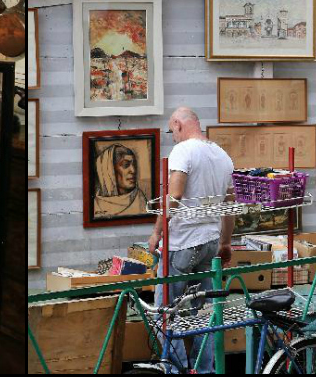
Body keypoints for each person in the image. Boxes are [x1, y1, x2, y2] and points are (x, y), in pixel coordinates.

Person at [148, 107, 235, 373]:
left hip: (183, 243)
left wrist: (156, 233)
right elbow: (230, 205)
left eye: (171, 131)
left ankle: (173, 370)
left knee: (166, 314)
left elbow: (173, 197)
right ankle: (205, 370)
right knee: (202, 315)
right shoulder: (222, 155)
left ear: (178, 124)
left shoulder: (183, 151)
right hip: (209, 242)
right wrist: (226, 242)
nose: (172, 137)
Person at [93, 144, 149, 218]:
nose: (133, 170)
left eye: (134, 165)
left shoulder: (140, 198)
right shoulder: (96, 205)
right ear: (110, 171)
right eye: (126, 165)